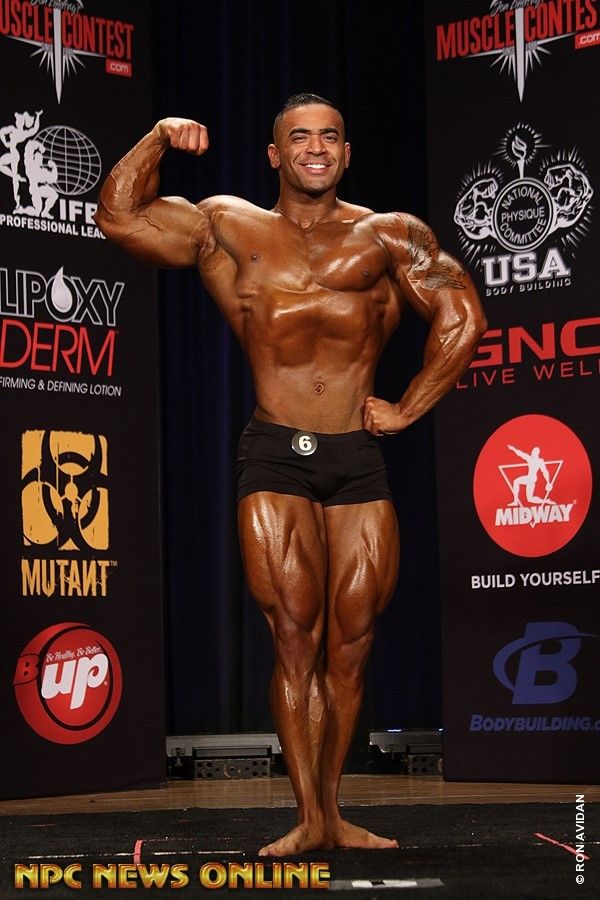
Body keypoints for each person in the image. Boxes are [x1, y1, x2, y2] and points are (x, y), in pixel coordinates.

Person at [94, 93, 486, 856]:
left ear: (347, 151)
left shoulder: (389, 235)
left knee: (353, 643)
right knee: (294, 637)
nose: (316, 148)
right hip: (275, 454)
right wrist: (157, 138)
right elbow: (118, 217)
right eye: (300, 137)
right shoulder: (227, 226)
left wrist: (409, 407)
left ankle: (334, 811)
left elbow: (463, 315)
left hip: (357, 459)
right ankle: (307, 816)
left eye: (330, 136)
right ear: (275, 154)